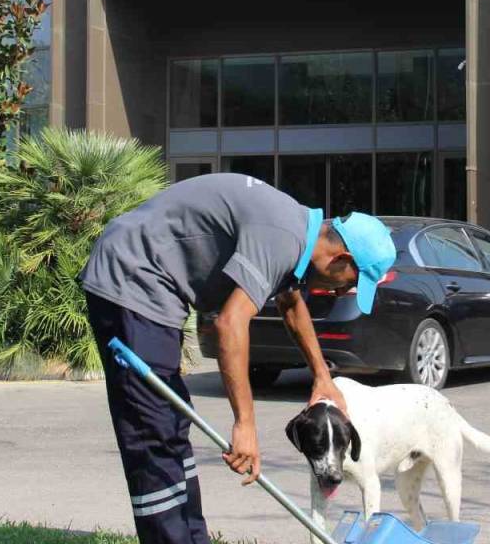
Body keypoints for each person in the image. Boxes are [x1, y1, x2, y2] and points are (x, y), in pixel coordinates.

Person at [79, 172, 396, 544]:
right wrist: (245, 424)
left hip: (153, 285)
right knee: (152, 429)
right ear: (341, 258)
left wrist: (321, 376)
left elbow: (291, 303)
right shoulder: (282, 237)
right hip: (131, 276)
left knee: (172, 422)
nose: (342, 291)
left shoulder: (295, 234)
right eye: (350, 282)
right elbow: (230, 324)